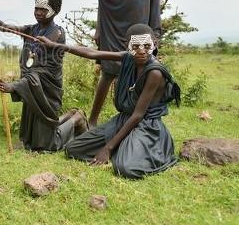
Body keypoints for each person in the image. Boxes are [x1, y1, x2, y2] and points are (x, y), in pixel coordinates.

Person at [38, 23, 180, 179]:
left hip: (146, 125)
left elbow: (138, 115)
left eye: (147, 45)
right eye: (135, 46)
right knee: (73, 149)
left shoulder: (155, 73)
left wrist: (108, 148)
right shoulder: (127, 57)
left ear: (155, 44)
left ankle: (125, 150)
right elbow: (92, 53)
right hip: (124, 120)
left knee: (125, 168)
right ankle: (124, 148)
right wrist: (56, 45)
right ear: (128, 46)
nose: (141, 51)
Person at [0, 0, 86, 151]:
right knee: (33, 141)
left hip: (47, 87)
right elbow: (4, 27)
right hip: (32, 86)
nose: (38, 12)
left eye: (43, 10)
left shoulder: (57, 33)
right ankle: (70, 115)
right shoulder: (31, 29)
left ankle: (76, 119)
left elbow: (41, 70)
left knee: (48, 145)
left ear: (54, 11)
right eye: (36, 8)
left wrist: (14, 86)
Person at [90, 0, 162, 127]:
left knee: (135, 74)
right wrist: (98, 28)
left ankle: (129, 120)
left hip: (137, 29)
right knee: (108, 72)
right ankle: (92, 120)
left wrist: (153, 34)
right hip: (112, 25)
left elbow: (153, 0)